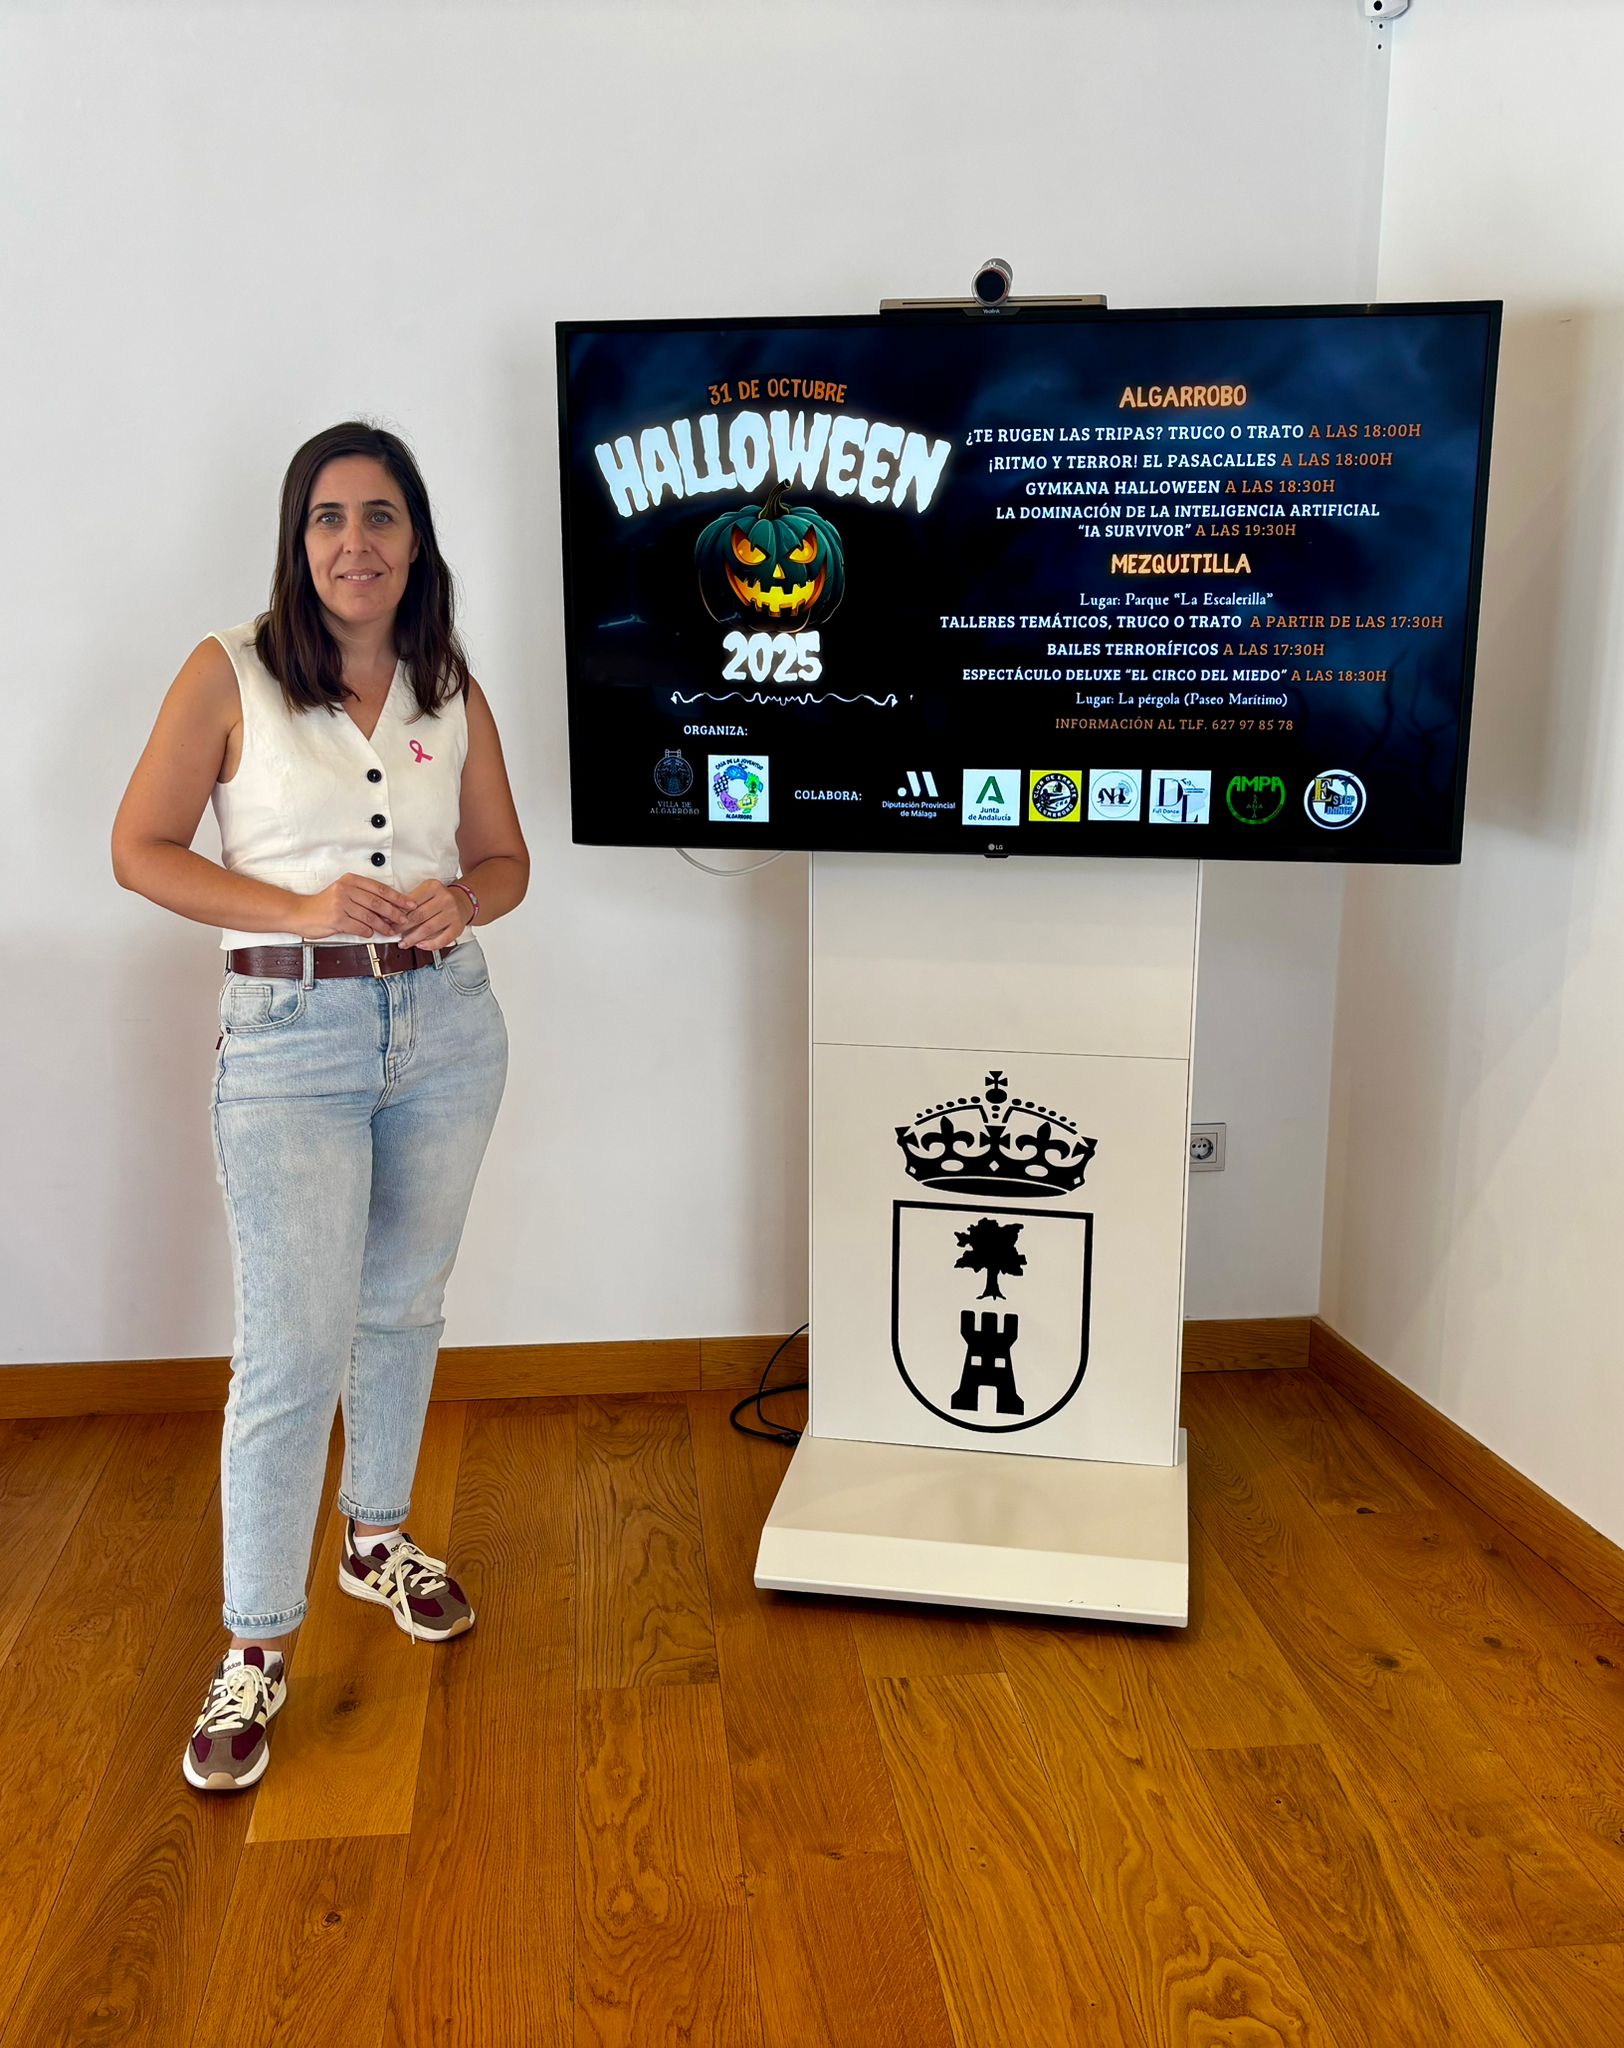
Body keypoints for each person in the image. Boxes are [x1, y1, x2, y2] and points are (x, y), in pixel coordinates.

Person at [111, 422, 528, 1791]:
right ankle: (257, 1643)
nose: (357, 542)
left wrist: (462, 901)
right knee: (289, 1350)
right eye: (330, 518)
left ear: (416, 539)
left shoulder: (447, 683)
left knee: (403, 1304)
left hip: (446, 1027)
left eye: (382, 515)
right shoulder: (227, 670)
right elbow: (140, 849)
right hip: (289, 1037)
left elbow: (506, 858)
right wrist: (298, 908)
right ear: (299, 541)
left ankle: (375, 1539)